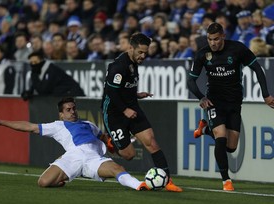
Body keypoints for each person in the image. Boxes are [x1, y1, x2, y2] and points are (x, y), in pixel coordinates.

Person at [0, 97, 150, 191]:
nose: (72, 111)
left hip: (94, 158)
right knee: (43, 183)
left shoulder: (89, 124)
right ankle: (72, 174)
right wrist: (1, 122)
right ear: (61, 114)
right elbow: (29, 126)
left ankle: (139, 185)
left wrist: (115, 145)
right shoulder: (57, 125)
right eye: (68, 110)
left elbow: (106, 140)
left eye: (74, 108)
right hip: (73, 157)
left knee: (117, 169)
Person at [187, 22, 274, 191]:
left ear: (223, 36)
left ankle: (204, 130)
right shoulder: (203, 54)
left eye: (216, 39)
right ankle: (226, 180)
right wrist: (201, 97)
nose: (213, 43)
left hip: (234, 102)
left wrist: (266, 95)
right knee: (220, 136)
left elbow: (257, 69)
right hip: (214, 101)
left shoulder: (237, 49)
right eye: (210, 39)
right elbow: (191, 80)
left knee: (231, 147)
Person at [101, 32, 182, 192]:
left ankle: (167, 180)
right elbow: (111, 92)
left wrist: (136, 94)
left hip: (132, 107)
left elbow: (123, 88)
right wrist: (124, 110)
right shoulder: (118, 67)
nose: (143, 56)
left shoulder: (134, 63)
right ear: (130, 48)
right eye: (140, 52)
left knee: (151, 141)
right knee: (128, 155)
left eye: (146, 52)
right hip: (115, 113)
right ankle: (109, 140)